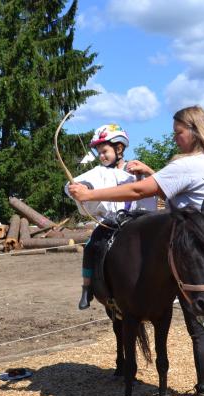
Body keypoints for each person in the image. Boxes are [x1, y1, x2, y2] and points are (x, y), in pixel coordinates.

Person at [68, 106, 204, 396]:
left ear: (196, 131)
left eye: (179, 132)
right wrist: (151, 171)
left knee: (201, 327)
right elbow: (167, 186)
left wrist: (90, 196)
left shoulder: (189, 163)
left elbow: (138, 189)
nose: (175, 139)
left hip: (194, 253)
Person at [64, 123, 156, 309]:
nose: (101, 156)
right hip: (110, 223)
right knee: (91, 246)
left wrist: (146, 172)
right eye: (99, 152)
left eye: (104, 151)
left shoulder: (136, 169)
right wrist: (84, 188)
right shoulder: (100, 172)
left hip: (137, 222)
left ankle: (166, 287)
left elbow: (154, 189)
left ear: (119, 148)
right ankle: (87, 288)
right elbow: (77, 183)